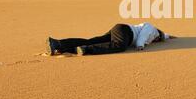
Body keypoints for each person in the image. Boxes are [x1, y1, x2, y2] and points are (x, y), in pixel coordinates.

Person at [46, 22, 175, 56]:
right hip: (125, 31)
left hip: (119, 29)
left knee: (92, 40)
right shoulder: (151, 28)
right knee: (119, 46)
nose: (156, 41)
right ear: (158, 33)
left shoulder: (155, 35)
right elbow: (143, 35)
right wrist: (140, 45)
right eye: (159, 39)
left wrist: (170, 37)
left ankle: (58, 44)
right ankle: (85, 50)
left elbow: (165, 35)